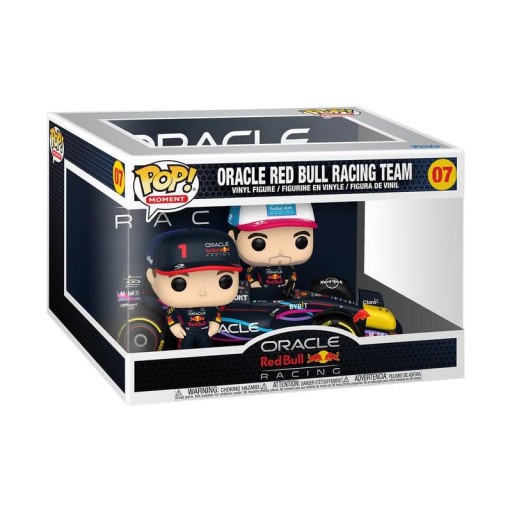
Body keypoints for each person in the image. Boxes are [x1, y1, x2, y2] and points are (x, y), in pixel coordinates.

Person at [145, 228, 242, 349]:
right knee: (186, 350)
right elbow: (171, 314)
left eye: (224, 281)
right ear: (152, 276)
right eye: (179, 284)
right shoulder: (177, 307)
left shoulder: (211, 307)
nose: (203, 292)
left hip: (204, 333)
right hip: (187, 333)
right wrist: (174, 325)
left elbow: (215, 314)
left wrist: (214, 323)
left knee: (206, 349)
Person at [228, 204, 317, 300]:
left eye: (300, 242)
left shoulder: (288, 268)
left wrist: (289, 285)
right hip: (261, 295)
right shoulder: (255, 268)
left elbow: (291, 276)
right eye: (258, 243)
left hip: (283, 295)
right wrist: (255, 285)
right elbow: (250, 275)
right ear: (233, 237)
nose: (280, 251)